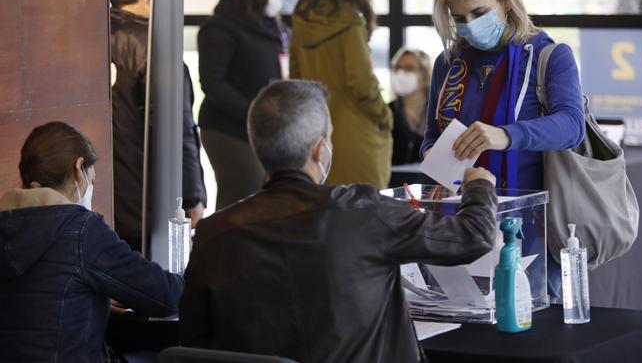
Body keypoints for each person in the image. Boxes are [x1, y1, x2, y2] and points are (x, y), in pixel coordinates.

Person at [179, 80, 497, 363]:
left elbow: (195, 342)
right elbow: (475, 235)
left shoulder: (212, 234)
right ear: (321, 149)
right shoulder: (363, 211)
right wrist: (478, 185)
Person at [422, 0, 585, 297]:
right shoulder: (449, 64)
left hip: (529, 232)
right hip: (461, 224)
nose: (469, 25)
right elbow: (431, 138)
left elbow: (572, 125)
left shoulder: (549, 57)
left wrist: (506, 136)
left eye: (479, 13)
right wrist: (440, 172)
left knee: (531, 335)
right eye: (459, 17)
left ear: (505, 0)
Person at [0, 121, 183, 362]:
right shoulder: (81, 230)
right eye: (92, 180)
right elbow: (165, 296)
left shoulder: (6, 224)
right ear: (79, 168)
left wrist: (94, 299)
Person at [110, 0, 206, 251]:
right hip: (149, 200)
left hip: (106, 194)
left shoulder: (94, 37)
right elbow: (176, 128)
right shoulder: (155, 46)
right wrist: (191, 196)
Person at [290, 0, 393, 189]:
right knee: (364, 214)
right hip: (357, 132)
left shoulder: (302, 14)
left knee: (326, 213)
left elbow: (295, 75)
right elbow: (360, 81)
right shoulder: (350, 19)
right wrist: (384, 115)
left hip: (317, 133)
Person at [198, 0, 288, 210]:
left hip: (264, 128)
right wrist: (253, 112)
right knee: (241, 198)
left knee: (261, 202)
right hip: (230, 130)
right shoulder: (221, 27)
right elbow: (213, 83)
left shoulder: (271, 26)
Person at [388, 47, 432, 165]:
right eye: (397, 68)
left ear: (424, 75)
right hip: (393, 181)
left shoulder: (437, 112)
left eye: (409, 68)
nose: (401, 73)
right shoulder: (387, 111)